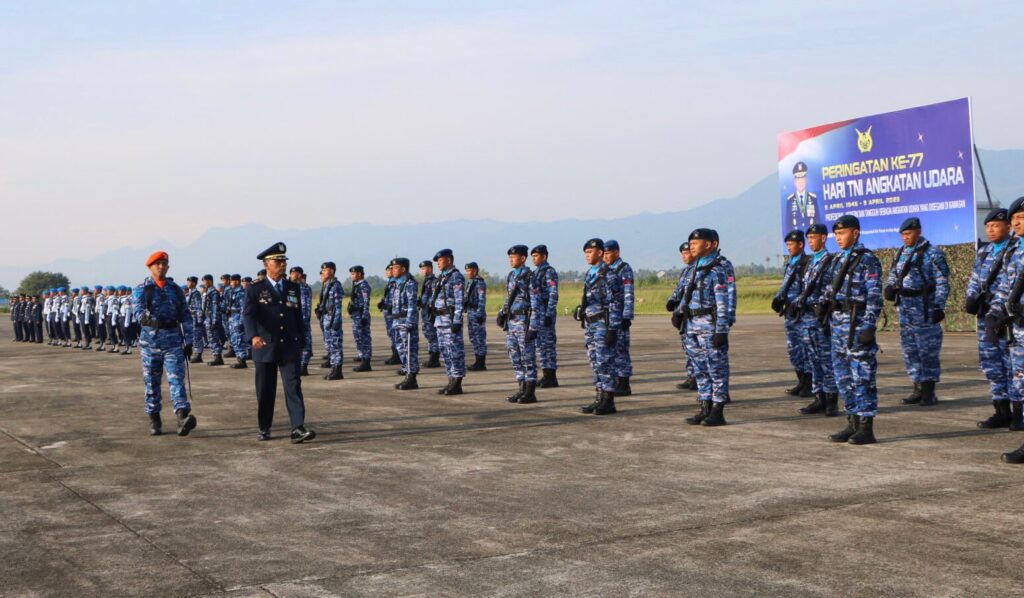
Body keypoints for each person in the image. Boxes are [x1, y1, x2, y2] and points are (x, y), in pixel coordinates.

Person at [242, 242, 315, 443]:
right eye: (277, 261)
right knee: (266, 390)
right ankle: (264, 427)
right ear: (267, 264)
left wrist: (302, 340)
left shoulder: (293, 287)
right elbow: (248, 316)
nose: (282, 265)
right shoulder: (255, 289)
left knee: (293, 387)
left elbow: (298, 316)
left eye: (283, 261)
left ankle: (298, 428)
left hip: (289, 346)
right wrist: (253, 336)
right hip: (265, 347)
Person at [819, 215, 882, 445]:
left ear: (855, 233)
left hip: (857, 325)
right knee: (843, 378)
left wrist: (869, 326)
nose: (838, 237)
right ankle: (852, 422)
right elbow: (829, 288)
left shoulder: (867, 260)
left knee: (862, 378)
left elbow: (875, 296)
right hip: (838, 327)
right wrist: (823, 305)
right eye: (836, 234)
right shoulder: (836, 260)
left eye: (842, 233)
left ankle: (866, 426)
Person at [884, 217, 950, 406]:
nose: (905, 238)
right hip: (905, 309)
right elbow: (893, 274)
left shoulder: (932, 253)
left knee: (927, 350)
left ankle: (929, 391)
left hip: (925, 308)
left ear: (918, 232)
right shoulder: (901, 253)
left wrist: (939, 306)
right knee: (910, 350)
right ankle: (917, 388)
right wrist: (889, 287)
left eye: (908, 234)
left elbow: (942, 281)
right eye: (903, 235)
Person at [131, 251, 197, 437]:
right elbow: (138, 312)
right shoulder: (141, 289)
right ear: (150, 267)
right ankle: (155, 419)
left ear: (168, 267)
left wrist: (189, 340)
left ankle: (182, 417)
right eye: (157, 264)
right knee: (152, 382)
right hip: (150, 343)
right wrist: (146, 317)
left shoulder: (175, 289)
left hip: (173, 341)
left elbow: (185, 315)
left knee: (176, 380)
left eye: (163, 264)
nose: (160, 267)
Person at [967, 208, 1020, 429]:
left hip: (1007, 317)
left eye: (996, 225)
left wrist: (998, 312)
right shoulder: (984, 252)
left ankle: (1018, 413)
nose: (991, 230)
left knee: (1012, 365)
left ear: (1007, 227)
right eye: (988, 226)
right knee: (991, 363)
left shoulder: (1013, 249)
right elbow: (975, 277)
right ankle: (1001, 410)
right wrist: (970, 297)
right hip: (986, 315)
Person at [673, 230, 731, 426]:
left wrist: (722, 330)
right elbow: (686, 294)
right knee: (699, 370)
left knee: (716, 369)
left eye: (696, 242)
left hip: (709, 325)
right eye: (691, 243)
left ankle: (717, 410)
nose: (691, 246)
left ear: (709, 245)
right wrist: (679, 312)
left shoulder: (717, 270)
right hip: (691, 325)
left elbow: (723, 302)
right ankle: (704, 407)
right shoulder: (693, 269)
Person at [789, 224, 838, 416]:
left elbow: (832, 287)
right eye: (808, 238)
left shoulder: (830, 261)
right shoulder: (810, 262)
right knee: (813, 359)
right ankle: (819, 397)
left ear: (824, 238)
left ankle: (831, 400)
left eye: (814, 238)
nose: (810, 241)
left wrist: (818, 303)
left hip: (820, 318)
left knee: (826, 360)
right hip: (806, 319)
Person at [574, 239, 621, 415]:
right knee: (595, 361)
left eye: (590, 252)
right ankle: (599, 398)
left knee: (605, 362)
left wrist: (612, 328)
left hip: (603, 324)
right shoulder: (590, 273)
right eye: (585, 252)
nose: (587, 255)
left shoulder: (608, 274)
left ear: (600, 253)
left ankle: (609, 401)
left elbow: (615, 303)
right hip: (591, 324)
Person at [772, 230, 812, 397]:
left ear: (801, 245)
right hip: (789, 312)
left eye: (791, 244)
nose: (789, 247)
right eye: (787, 244)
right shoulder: (790, 263)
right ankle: (801, 381)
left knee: (805, 348)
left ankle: (809, 384)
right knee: (793, 349)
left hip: (802, 312)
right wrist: (778, 298)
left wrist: (797, 303)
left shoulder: (807, 263)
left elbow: (809, 288)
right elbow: (785, 285)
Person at [499, 245, 541, 404]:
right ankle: (521, 388)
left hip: (524, 323)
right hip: (511, 323)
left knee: (527, 358)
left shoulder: (530, 277)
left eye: (514, 257)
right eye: (509, 257)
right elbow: (508, 298)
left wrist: (533, 327)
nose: (511, 259)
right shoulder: (511, 275)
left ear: (523, 258)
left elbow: (536, 304)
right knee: (515, 356)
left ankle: (530, 392)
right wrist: (502, 313)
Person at [431, 249, 466, 395]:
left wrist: (457, 320)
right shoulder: (440, 278)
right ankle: (450, 380)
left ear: (449, 260)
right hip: (440, 320)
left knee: (454, 352)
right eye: (437, 261)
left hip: (450, 320)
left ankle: (457, 382)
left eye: (441, 260)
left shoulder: (456, 277)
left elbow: (459, 301)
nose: (438, 263)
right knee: (445, 352)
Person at [603, 240, 634, 397]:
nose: (605, 257)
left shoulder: (624, 269)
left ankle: (624, 384)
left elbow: (628, 293)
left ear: (617, 252)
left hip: (620, 315)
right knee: (610, 351)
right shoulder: (605, 270)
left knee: (621, 350)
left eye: (608, 253)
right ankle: (615, 381)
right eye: (604, 254)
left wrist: (626, 316)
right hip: (608, 317)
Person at [667, 242, 697, 390]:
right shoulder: (686, 271)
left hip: (695, 314)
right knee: (688, 347)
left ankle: (698, 377)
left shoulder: (699, 270)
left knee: (697, 349)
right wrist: (672, 301)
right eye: (682, 254)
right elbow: (679, 289)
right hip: (684, 315)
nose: (684, 256)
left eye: (686, 253)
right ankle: (692, 375)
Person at [531, 245, 560, 388]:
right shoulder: (535, 272)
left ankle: (551, 377)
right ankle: (546, 375)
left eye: (536, 256)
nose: (534, 259)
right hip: (537, 313)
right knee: (540, 346)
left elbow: (553, 294)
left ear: (544, 256)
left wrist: (549, 313)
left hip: (545, 312)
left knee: (548, 345)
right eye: (533, 256)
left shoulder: (549, 272)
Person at [390, 258, 420, 390]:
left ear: (403, 269)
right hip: (397, 321)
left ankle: (412, 377)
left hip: (406, 322)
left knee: (409, 350)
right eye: (392, 268)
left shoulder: (409, 283)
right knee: (401, 349)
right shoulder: (397, 283)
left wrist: (409, 323)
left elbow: (412, 305)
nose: (393, 270)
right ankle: (407, 373)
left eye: (396, 268)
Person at [317, 261, 345, 380]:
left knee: (336, 344)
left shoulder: (336, 285)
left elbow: (338, 306)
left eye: (325, 269)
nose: (323, 272)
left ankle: (338, 370)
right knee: (330, 345)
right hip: (327, 318)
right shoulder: (326, 285)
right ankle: (333, 367)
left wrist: (336, 322)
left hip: (333, 318)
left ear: (332, 271)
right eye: (322, 270)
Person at [289, 266, 314, 376]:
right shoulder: (286, 286)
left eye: (298, 273)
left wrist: (305, 320)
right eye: (293, 273)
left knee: (306, 343)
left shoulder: (304, 288)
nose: (295, 275)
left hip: (303, 320)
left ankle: (304, 366)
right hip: (290, 320)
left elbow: (307, 306)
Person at [785, 161, 822, 232]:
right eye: (798, 179)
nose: (800, 182)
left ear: (806, 180)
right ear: (794, 182)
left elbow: (818, 221)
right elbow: (788, 226)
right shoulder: (790, 200)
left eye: (802, 179)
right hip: (797, 239)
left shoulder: (813, 198)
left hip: (812, 237)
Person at [348, 266, 373, 372]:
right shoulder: (356, 285)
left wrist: (365, 316)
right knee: (358, 338)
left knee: (364, 338)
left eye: (353, 274)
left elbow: (366, 302)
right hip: (356, 315)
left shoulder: (363, 286)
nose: (351, 276)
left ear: (359, 274)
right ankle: (362, 356)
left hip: (361, 315)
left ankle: (366, 361)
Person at [464, 262, 488, 371]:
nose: (467, 273)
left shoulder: (480, 283)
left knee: (479, 338)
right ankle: (477, 361)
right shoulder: (470, 282)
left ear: (474, 270)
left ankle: (481, 363)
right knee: (473, 337)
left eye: (469, 271)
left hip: (476, 313)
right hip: (470, 312)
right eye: (467, 271)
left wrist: (479, 313)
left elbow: (482, 299)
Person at [419, 260, 441, 368]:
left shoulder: (434, 281)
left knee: (433, 335)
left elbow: (433, 297)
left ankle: (434, 359)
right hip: (424, 311)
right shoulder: (427, 281)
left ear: (430, 268)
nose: (422, 271)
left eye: (424, 268)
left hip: (430, 312)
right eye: (421, 269)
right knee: (428, 334)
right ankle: (431, 357)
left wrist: (425, 304)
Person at [380, 264, 401, 365]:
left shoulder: (395, 283)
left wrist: (390, 306)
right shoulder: (389, 283)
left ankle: (397, 355)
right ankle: (395, 354)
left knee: (395, 334)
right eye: (386, 271)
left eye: (389, 270)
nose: (387, 272)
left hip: (393, 313)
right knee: (391, 334)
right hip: (388, 313)